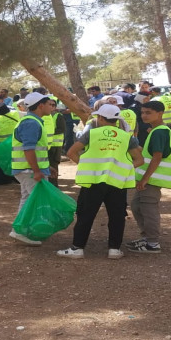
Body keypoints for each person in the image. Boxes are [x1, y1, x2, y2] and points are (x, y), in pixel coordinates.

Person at [57, 104, 144, 259]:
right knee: (117, 216)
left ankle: (77, 248)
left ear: (101, 118)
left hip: (93, 181)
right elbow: (139, 159)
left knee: (86, 214)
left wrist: (85, 165)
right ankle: (114, 249)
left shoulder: (92, 134)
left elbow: (71, 152)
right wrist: (123, 169)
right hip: (117, 182)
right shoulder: (126, 136)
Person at [126, 100, 171, 254]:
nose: (144, 116)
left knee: (148, 210)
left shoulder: (159, 132)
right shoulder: (159, 131)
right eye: (143, 113)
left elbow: (157, 157)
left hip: (152, 179)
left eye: (148, 113)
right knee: (137, 206)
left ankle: (152, 242)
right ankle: (147, 237)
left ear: (160, 113)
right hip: (151, 178)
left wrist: (144, 179)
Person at [8, 92, 55, 246]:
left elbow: (35, 149)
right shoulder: (31, 123)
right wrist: (36, 171)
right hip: (28, 170)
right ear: (40, 106)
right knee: (33, 201)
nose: (51, 107)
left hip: (26, 169)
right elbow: (29, 149)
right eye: (49, 104)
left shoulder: (32, 121)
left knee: (27, 199)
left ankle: (21, 229)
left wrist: (46, 167)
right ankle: (20, 231)